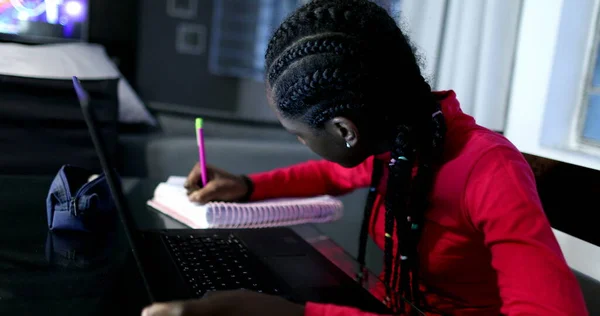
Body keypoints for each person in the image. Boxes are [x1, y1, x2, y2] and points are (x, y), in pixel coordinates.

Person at [142, 0, 588, 315]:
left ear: (344, 130)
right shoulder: (399, 134)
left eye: (298, 135)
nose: (300, 142)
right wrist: (249, 186)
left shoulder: (489, 169)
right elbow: (330, 174)